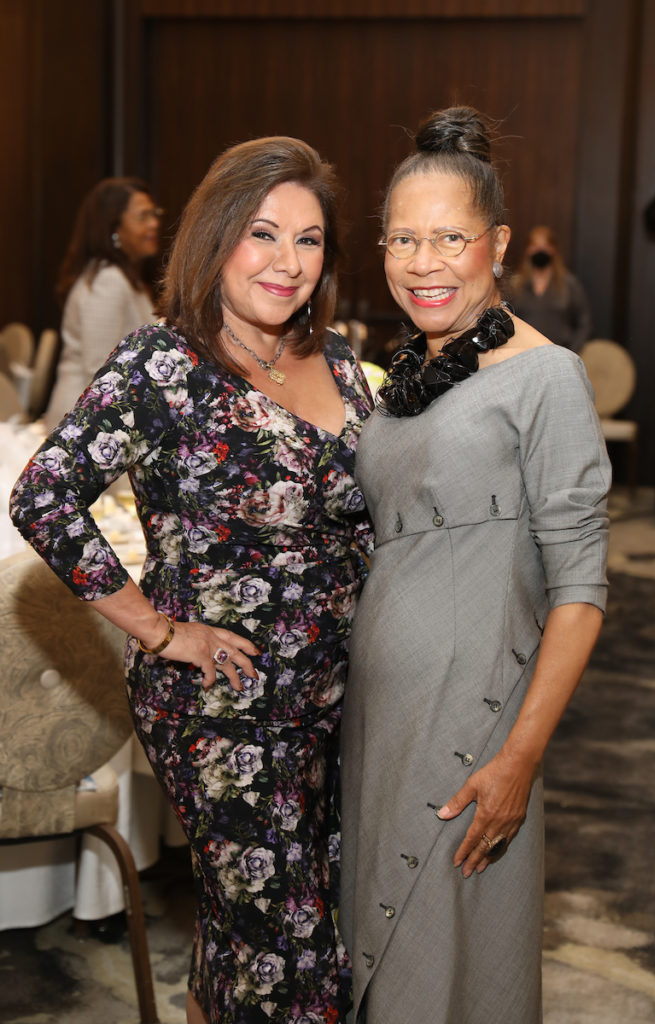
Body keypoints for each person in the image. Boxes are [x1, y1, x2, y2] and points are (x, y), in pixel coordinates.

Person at [11, 136, 373, 1024]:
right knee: (295, 965)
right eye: (263, 233)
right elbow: (46, 497)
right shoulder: (163, 366)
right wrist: (160, 630)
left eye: (310, 239)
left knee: (272, 929)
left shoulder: (338, 360)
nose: (287, 262)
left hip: (342, 703)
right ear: (215, 235)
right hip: (223, 707)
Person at [339, 106, 611, 1024]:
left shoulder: (547, 377)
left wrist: (517, 760)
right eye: (402, 240)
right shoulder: (409, 371)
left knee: (451, 967)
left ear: (495, 244)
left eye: (449, 238)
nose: (422, 262)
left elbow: (579, 593)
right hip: (379, 720)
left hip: (474, 727)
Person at [43, 177, 161, 429]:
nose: (154, 223)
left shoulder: (123, 276)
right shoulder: (107, 280)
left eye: (154, 213)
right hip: (84, 423)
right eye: (143, 216)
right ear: (114, 227)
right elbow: (99, 367)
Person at [506, 224, 592, 352]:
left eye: (545, 246)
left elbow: (585, 323)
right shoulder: (515, 285)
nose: (540, 250)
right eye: (535, 246)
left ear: (553, 249)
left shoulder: (569, 284)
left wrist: (572, 352)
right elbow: (506, 320)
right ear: (528, 250)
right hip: (524, 355)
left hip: (560, 354)